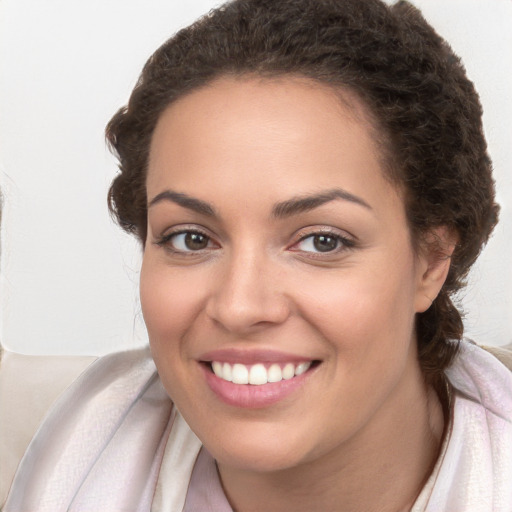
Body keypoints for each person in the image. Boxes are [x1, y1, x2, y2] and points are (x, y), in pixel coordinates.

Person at [3, 0, 511, 510]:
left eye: (321, 241)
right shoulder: (33, 449)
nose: (240, 307)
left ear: (431, 261)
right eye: (191, 239)